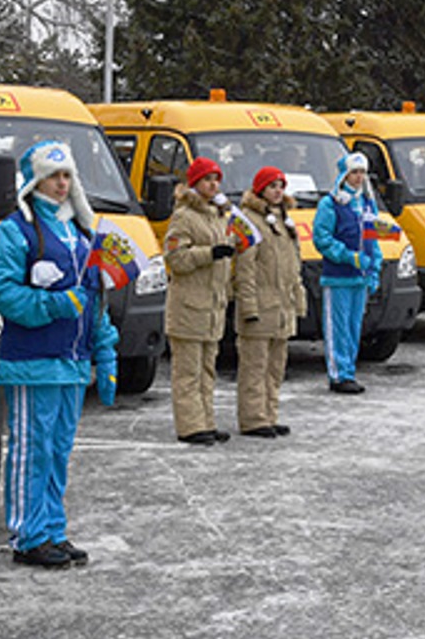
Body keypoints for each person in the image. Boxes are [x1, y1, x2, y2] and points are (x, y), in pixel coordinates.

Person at [0, 140, 118, 568]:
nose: (62, 185)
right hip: (32, 359)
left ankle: (53, 529)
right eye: (53, 176)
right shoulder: (15, 230)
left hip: (73, 361)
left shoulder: (80, 232)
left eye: (66, 176)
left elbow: (94, 298)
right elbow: (2, 293)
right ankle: (29, 535)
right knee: (32, 448)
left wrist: (105, 349)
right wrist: (54, 305)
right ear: (35, 180)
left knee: (58, 449)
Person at [163, 156, 235, 445]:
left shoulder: (218, 215)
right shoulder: (183, 216)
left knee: (207, 370)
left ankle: (205, 420)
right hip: (189, 306)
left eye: (216, 179)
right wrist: (210, 253)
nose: (213, 184)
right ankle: (190, 425)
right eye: (207, 179)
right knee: (188, 372)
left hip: (213, 306)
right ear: (195, 183)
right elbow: (176, 258)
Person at [233, 165, 305, 437]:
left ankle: (269, 413)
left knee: (275, 367)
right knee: (255, 366)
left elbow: (293, 265)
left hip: (281, 307)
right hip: (260, 307)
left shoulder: (284, 220)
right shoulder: (249, 220)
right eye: (272, 186)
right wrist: (248, 306)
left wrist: (297, 301)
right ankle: (253, 418)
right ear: (260, 189)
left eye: (281, 186)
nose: (278, 191)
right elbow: (245, 270)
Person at [313, 152, 381, 394]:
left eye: (362, 172)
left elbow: (374, 238)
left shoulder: (367, 202)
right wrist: (348, 256)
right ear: (344, 175)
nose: (359, 177)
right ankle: (338, 374)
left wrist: (374, 267)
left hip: (360, 278)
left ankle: (349, 370)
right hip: (338, 276)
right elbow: (322, 238)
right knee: (337, 327)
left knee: (354, 327)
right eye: (354, 172)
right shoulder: (330, 204)